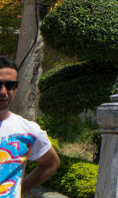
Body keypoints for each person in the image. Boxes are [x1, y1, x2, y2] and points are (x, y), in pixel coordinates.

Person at [0, 57, 59, 197]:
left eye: (10, 85)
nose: (3, 92)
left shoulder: (28, 131)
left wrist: (19, 189)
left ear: (16, 87)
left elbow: (50, 163)